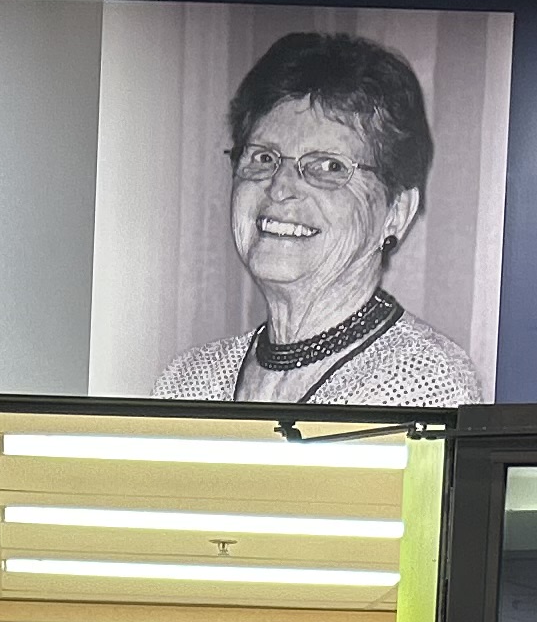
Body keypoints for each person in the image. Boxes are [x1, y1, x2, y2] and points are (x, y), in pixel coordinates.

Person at [152, 30, 484, 406]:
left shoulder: (422, 383)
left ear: (396, 213)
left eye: (328, 166)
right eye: (263, 157)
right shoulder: (185, 382)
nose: (280, 188)